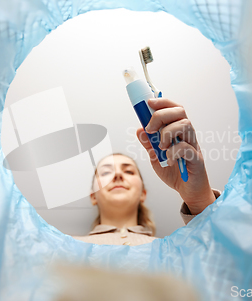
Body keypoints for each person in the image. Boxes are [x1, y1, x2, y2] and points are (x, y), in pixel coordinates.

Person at [74, 98, 221, 246]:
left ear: (143, 193)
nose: (118, 175)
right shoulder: (63, 248)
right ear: (93, 196)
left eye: (129, 172)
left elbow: (226, 262)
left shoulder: (176, 249)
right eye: (106, 173)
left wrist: (199, 198)